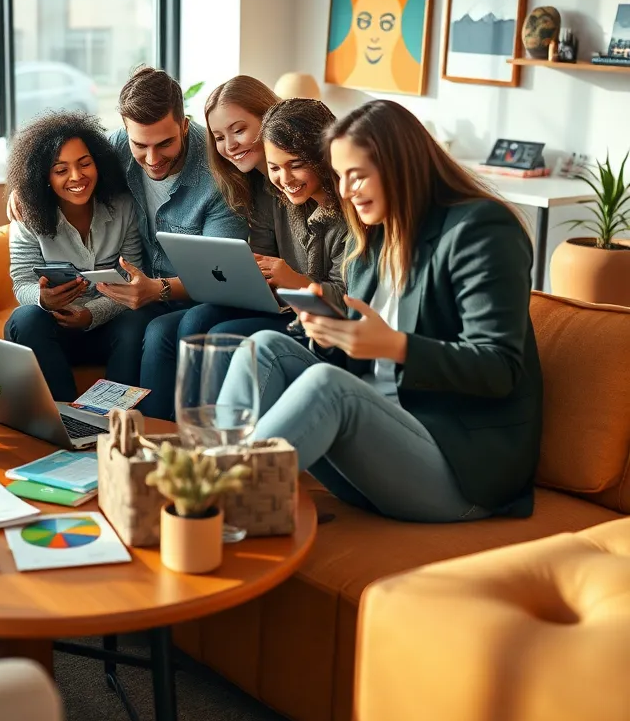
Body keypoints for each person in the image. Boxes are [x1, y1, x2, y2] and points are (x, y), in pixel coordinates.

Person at [220, 99, 543, 522]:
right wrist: (328, 334)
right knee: (263, 347)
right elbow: (360, 359)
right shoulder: (373, 241)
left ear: (401, 166)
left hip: (461, 471)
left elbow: (499, 368)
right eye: (339, 176)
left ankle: (208, 503)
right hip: (377, 453)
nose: (346, 191)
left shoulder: (480, 230)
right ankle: (211, 474)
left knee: (326, 386)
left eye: (357, 176)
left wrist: (395, 346)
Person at [137, 78, 347, 418]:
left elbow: (343, 295)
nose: (230, 145)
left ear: (269, 122)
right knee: (180, 324)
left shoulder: (328, 200)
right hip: (282, 301)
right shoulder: (262, 187)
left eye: (239, 131)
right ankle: (163, 436)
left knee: (215, 331)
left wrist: (290, 278)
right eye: (219, 137)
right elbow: (264, 260)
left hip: (313, 312)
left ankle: (206, 439)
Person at [7, 65, 248, 331]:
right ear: (125, 131)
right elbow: (68, 166)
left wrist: (157, 289)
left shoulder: (219, 175)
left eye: (165, 143)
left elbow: (221, 275)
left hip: (195, 297)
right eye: (140, 145)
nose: (153, 159)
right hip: (144, 296)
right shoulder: (116, 148)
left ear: (185, 126)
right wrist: (27, 189)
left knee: (162, 328)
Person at [4, 111, 153, 400]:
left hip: (104, 328)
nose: (76, 177)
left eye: (85, 164)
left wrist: (90, 315)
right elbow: (21, 281)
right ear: (44, 176)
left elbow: (130, 278)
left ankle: (115, 415)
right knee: (26, 318)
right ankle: (67, 419)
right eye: (61, 170)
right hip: (51, 331)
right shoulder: (27, 214)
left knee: (140, 318)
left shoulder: (123, 207)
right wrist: (41, 298)